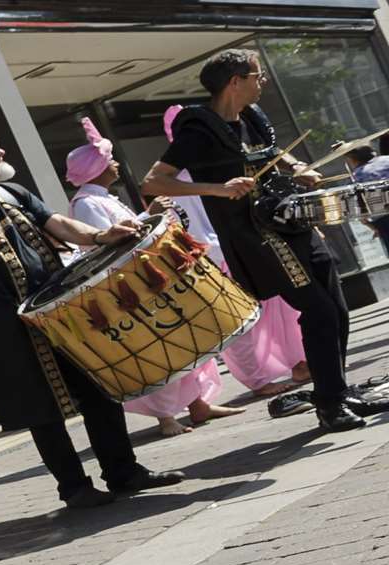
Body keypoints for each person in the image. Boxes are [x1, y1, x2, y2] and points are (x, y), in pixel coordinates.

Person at [0, 132, 187, 508]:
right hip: (4, 329)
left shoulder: (10, 193)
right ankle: (74, 489)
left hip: (56, 310)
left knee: (99, 389)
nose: (1, 152)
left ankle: (123, 472)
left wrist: (100, 235)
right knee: (41, 411)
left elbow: (57, 223)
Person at [143, 48, 388, 433]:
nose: (263, 82)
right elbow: (153, 181)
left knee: (336, 306)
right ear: (234, 81)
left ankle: (338, 391)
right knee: (319, 311)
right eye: (257, 75)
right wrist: (220, 189)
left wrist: (300, 168)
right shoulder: (198, 129)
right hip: (256, 235)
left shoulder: (252, 117)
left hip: (289, 221)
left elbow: (275, 156)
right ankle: (328, 402)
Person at [63, 117, 244, 438]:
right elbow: (107, 243)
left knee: (183, 340)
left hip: (148, 280)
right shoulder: (88, 202)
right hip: (131, 287)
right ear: (97, 168)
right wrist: (148, 215)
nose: (116, 164)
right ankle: (166, 417)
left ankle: (198, 403)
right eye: (109, 159)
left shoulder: (101, 198)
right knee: (159, 349)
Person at [158, 105, 308, 400]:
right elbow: (186, 224)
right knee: (241, 325)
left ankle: (299, 362)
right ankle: (258, 381)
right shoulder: (179, 179)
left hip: (245, 244)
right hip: (214, 258)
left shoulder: (216, 163)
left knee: (284, 307)